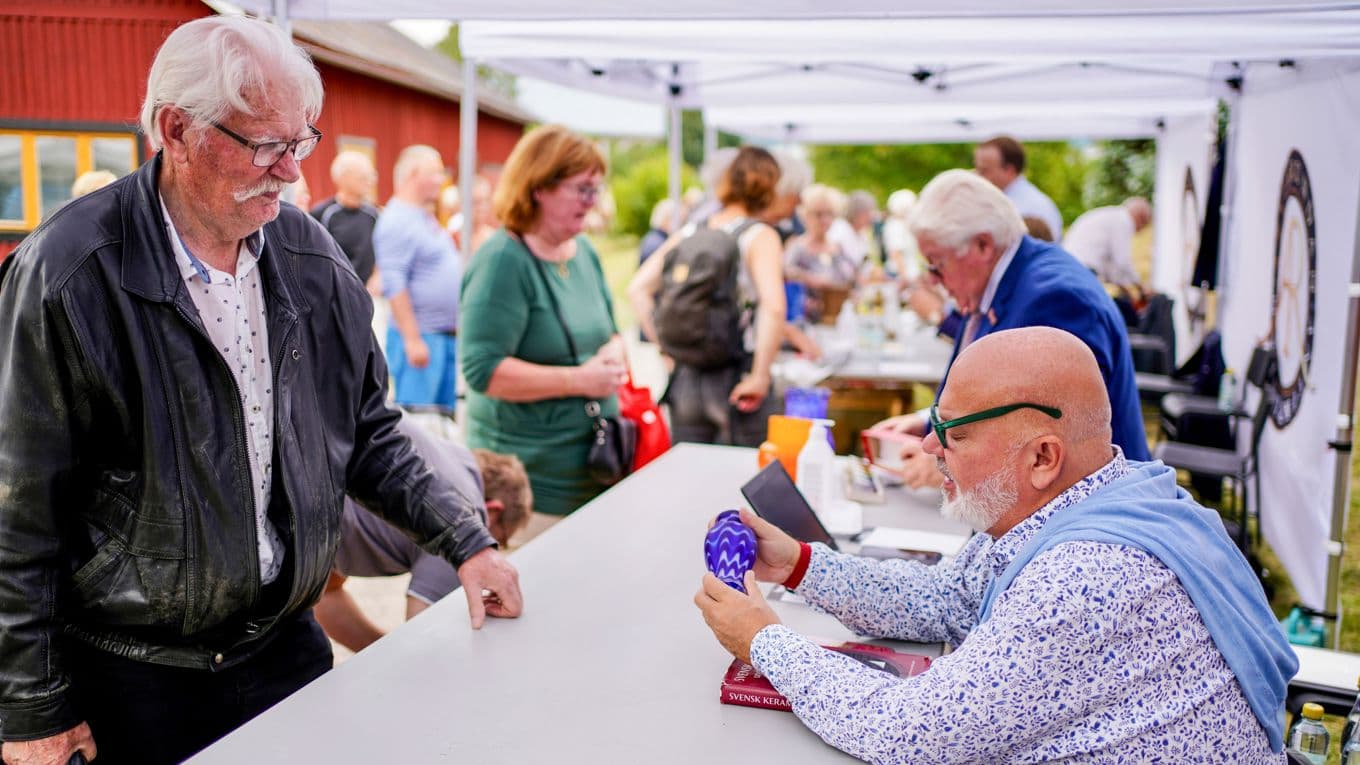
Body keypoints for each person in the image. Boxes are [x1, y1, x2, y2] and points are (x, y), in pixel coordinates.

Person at [0, 17, 521, 765]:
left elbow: (370, 431)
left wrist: (466, 543)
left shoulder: (312, 258)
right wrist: (31, 706)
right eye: (266, 145)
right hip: (131, 676)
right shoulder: (69, 273)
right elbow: (18, 512)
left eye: (301, 142)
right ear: (176, 130)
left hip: (283, 652)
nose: (290, 171)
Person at [695, 326, 1298, 764]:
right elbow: (947, 600)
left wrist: (763, 641)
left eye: (954, 432)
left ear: (1041, 457)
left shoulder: (1086, 577)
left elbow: (908, 735)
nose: (930, 447)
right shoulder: (1095, 496)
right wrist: (800, 565)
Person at [874, 169, 1148, 491]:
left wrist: (946, 461)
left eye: (937, 263)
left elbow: (1052, 437)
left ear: (982, 246)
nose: (933, 279)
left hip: (1080, 518)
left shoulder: (1055, 297)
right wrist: (928, 422)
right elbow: (998, 396)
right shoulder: (999, 283)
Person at [459, 124, 625, 523]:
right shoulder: (503, 260)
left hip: (594, 469)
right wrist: (580, 380)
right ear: (539, 187)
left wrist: (614, 353)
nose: (592, 202)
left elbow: (612, 330)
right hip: (530, 488)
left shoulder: (583, 252)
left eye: (596, 190)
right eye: (582, 189)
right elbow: (483, 372)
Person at [316, 417, 532, 653]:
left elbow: (325, 596)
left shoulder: (455, 456)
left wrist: (380, 653)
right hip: (317, 518)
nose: (491, 547)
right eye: (497, 539)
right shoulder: (465, 521)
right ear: (493, 511)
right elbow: (422, 636)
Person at [627, 146, 787, 447]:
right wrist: (761, 375)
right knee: (741, 478)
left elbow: (637, 289)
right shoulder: (759, 235)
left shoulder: (690, 231)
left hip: (685, 378)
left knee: (690, 476)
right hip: (737, 378)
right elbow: (774, 306)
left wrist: (667, 346)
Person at [374, 145, 462, 409]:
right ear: (413, 174)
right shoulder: (397, 220)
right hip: (420, 340)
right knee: (420, 426)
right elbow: (394, 283)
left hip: (442, 337)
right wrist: (412, 340)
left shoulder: (424, 216)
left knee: (443, 424)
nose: (441, 180)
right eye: (435, 173)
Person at [783, 183, 856, 322]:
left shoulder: (838, 248)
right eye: (818, 214)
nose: (825, 220)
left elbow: (852, 279)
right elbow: (784, 273)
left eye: (830, 214)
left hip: (836, 320)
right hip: (804, 321)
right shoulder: (797, 246)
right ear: (805, 215)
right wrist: (807, 278)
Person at [310, 150, 380, 287]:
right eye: (363, 177)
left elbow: (382, 249)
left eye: (371, 176)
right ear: (343, 178)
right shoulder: (322, 214)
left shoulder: (374, 214)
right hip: (335, 292)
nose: (370, 182)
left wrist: (378, 276)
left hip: (370, 292)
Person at [974, 135, 1064, 240]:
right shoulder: (997, 200)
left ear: (1009, 170)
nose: (977, 175)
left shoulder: (1036, 208)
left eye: (984, 170)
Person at [1063, 196, 1153, 289]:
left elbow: (1111, 268)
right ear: (1140, 217)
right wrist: (1140, 286)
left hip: (1072, 264)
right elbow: (1122, 262)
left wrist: (1124, 286)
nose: (1139, 231)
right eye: (1144, 224)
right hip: (1083, 267)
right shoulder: (1124, 221)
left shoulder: (1112, 215)